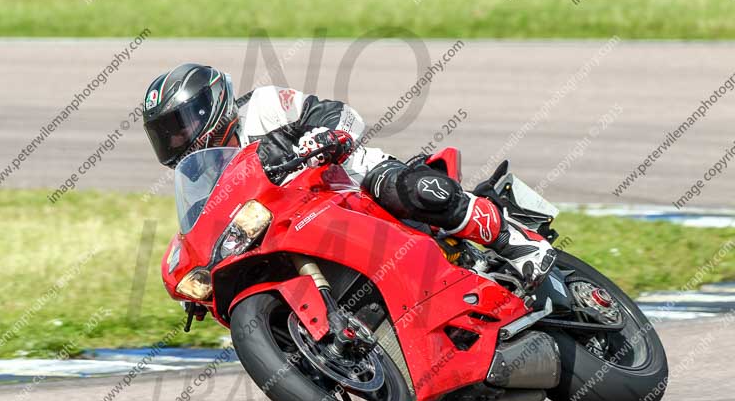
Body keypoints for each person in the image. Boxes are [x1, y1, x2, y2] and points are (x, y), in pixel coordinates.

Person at [143, 63, 556, 287]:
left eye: (180, 126)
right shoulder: (202, 177)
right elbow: (204, 230)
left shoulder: (262, 107)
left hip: (349, 183)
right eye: (166, 135)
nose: (177, 140)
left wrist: (330, 136)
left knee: (411, 189)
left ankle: (516, 241)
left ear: (208, 106)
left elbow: (335, 113)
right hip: (292, 230)